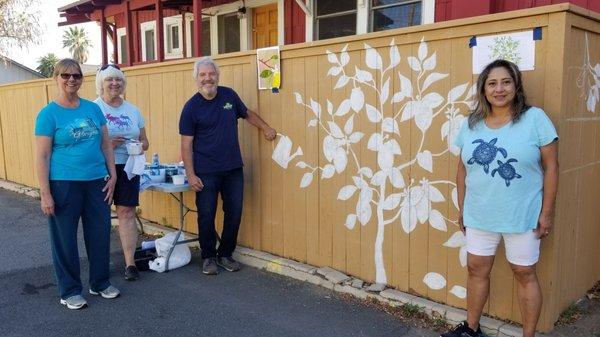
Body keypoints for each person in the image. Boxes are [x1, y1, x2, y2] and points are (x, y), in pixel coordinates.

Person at [441, 59, 559, 337]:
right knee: (476, 269)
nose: (499, 89)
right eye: (492, 83)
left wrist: (547, 213)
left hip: (523, 214)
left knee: (524, 272)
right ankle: (471, 330)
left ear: (516, 85)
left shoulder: (535, 119)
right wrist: (462, 207)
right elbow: (462, 168)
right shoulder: (472, 124)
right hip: (480, 213)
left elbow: (551, 167)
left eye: (506, 82)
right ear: (483, 90)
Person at [34, 58, 120, 310]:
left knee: (100, 233)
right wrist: (45, 193)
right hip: (63, 183)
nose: (71, 79)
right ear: (56, 79)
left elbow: (106, 144)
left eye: (77, 75)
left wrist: (112, 174)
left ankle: (100, 283)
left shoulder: (93, 110)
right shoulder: (48, 114)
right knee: (65, 239)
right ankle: (70, 290)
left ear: (82, 79)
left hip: (97, 182)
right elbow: (42, 155)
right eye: (65, 75)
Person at [179, 57, 276, 275]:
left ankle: (225, 254)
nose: (208, 78)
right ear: (196, 79)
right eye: (203, 75)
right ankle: (208, 257)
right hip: (205, 172)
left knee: (234, 212)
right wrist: (191, 174)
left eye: (211, 74)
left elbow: (248, 114)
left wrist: (266, 128)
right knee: (206, 214)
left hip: (233, 169)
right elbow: (186, 145)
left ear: (217, 76)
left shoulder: (229, 96)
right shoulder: (191, 107)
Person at [94, 64, 149, 281]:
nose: (114, 83)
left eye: (118, 80)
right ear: (101, 83)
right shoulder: (94, 108)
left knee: (126, 213)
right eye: (110, 80)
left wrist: (140, 145)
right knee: (99, 216)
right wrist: (107, 143)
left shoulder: (133, 110)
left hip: (129, 167)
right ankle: (100, 263)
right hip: (101, 167)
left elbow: (145, 140)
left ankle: (130, 263)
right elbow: (87, 142)